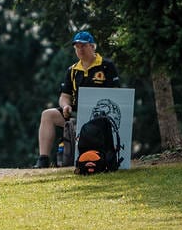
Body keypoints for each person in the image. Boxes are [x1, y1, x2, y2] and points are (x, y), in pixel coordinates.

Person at [33, 31, 121, 168]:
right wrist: (65, 107)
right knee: (47, 115)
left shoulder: (106, 66)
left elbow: (116, 93)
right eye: (77, 47)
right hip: (76, 114)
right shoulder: (72, 70)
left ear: (92, 47)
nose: (80, 50)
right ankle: (43, 160)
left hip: (101, 118)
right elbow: (64, 96)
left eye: (83, 46)